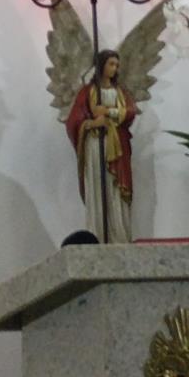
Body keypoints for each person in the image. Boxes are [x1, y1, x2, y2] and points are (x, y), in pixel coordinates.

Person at [65, 48, 138, 243]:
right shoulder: (87, 92)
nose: (115, 68)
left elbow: (131, 112)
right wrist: (91, 123)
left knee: (115, 189)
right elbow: (73, 121)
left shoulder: (120, 91)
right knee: (98, 187)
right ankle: (98, 235)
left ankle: (119, 236)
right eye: (111, 64)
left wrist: (109, 112)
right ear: (101, 65)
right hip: (95, 145)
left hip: (117, 146)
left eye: (117, 65)